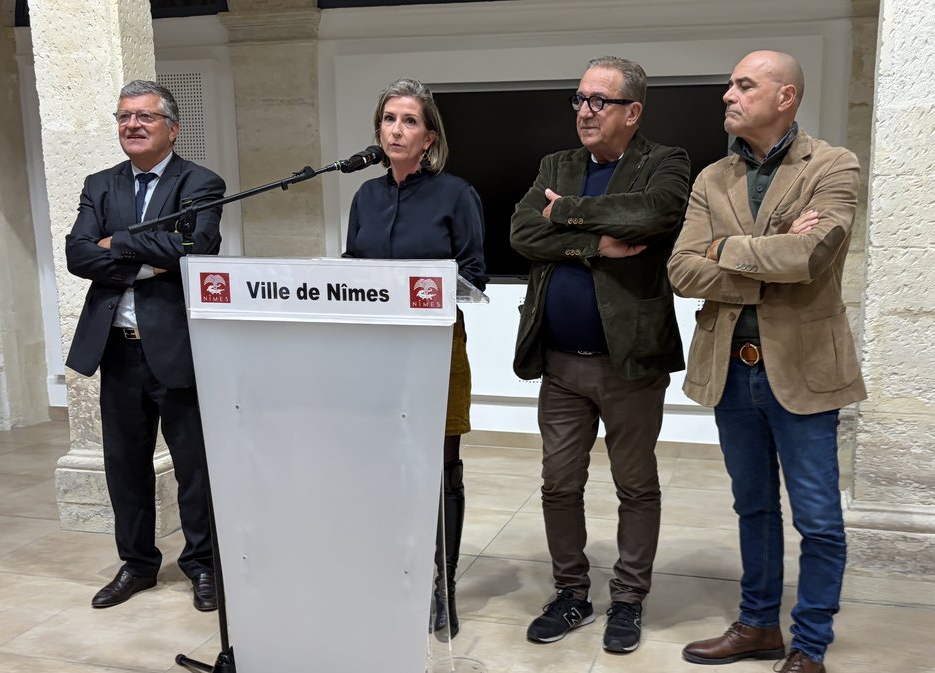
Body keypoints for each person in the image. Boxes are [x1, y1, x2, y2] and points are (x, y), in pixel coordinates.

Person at [666, 51, 865, 673]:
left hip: (803, 369)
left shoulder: (834, 165)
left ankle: (809, 646)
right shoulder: (711, 178)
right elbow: (680, 269)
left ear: (785, 97)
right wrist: (763, 253)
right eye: (729, 83)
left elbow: (813, 257)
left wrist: (725, 251)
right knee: (752, 507)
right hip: (732, 367)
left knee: (818, 519)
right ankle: (758, 626)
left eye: (743, 85)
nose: (728, 94)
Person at [511, 56, 690, 654]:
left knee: (634, 486)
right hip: (560, 362)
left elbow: (652, 214)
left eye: (599, 101)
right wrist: (595, 245)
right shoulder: (556, 164)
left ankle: (629, 601)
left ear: (632, 112)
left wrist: (562, 212)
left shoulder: (665, 162)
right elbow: (520, 233)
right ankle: (571, 595)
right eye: (580, 99)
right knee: (559, 485)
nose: (585, 111)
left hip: (631, 363)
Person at [65, 80, 225, 612]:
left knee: (194, 466)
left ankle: (202, 566)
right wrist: (149, 254)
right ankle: (136, 564)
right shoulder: (99, 184)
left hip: (177, 348)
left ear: (172, 128)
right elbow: (77, 254)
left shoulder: (201, 182)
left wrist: (118, 241)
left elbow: (196, 246)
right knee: (124, 465)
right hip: (117, 348)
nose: (131, 125)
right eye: (123, 117)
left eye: (145, 117)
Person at [343, 77, 487, 640]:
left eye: (408, 121)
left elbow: (473, 276)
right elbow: (354, 264)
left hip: (434, 347)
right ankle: (389, 574)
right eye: (388, 120)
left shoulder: (456, 194)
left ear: (429, 137)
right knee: (386, 469)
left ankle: (442, 587)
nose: (396, 130)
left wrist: (419, 286)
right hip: (375, 350)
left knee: (438, 470)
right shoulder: (366, 196)